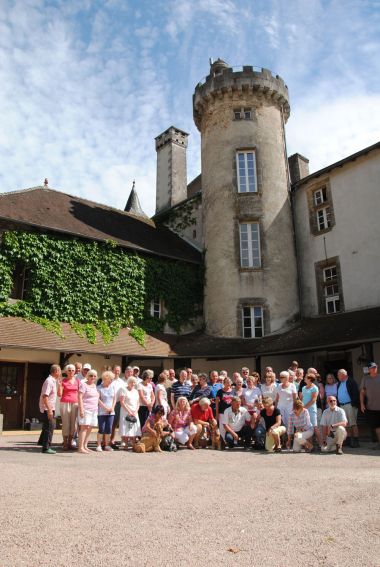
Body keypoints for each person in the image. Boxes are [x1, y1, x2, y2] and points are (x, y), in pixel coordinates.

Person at [39, 364, 61, 454]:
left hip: (50, 407)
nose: (60, 373)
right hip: (48, 408)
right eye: (59, 371)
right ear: (56, 371)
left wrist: (59, 385)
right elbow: (45, 396)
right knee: (50, 427)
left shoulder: (53, 381)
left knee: (46, 426)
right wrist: (49, 410)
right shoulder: (49, 381)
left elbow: (58, 394)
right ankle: (46, 448)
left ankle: (41, 442)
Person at [57, 364, 79, 450]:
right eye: (69, 370)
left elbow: (80, 393)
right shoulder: (63, 381)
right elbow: (59, 394)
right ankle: (65, 443)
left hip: (75, 403)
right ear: (66, 371)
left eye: (73, 370)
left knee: (73, 424)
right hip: (65, 402)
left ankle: (70, 443)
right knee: (66, 423)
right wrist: (59, 385)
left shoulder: (77, 381)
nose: (71, 372)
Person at [78, 369, 100, 453]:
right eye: (91, 375)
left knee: (90, 427)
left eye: (94, 376)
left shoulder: (94, 386)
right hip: (86, 409)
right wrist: (81, 410)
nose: (93, 377)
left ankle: (85, 445)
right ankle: (80, 448)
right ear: (87, 376)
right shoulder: (84, 385)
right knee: (84, 428)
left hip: (94, 410)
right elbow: (79, 397)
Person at [336, 368, 360, 447]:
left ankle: (356, 441)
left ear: (343, 375)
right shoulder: (339, 383)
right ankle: (348, 440)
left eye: (338, 375)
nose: (337, 377)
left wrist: (353, 404)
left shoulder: (351, 381)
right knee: (346, 424)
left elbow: (356, 394)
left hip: (350, 405)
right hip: (342, 406)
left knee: (353, 423)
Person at [360, 362, 380, 449]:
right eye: (372, 368)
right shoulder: (365, 379)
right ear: (369, 369)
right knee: (377, 427)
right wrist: (362, 403)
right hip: (372, 407)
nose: (374, 369)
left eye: (375, 367)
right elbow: (362, 392)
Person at [301, 373, 323, 448]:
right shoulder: (303, 388)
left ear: (310, 379)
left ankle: (321, 444)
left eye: (306, 377)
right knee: (307, 427)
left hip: (311, 410)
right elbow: (302, 399)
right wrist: (301, 407)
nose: (304, 378)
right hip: (304, 410)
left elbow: (313, 400)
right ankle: (310, 445)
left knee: (315, 427)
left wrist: (305, 407)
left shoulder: (315, 388)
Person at [119, 376, 141, 450]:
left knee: (134, 428)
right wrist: (129, 411)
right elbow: (122, 402)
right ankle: (126, 445)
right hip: (126, 411)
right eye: (131, 382)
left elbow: (138, 403)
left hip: (135, 412)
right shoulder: (124, 389)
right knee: (126, 428)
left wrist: (136, 411)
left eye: (134, 382)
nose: (133, 383)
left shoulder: (136, 391)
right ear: (128, 382)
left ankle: (134, 444)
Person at [96, 370, 116, 452]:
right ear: (106, 378)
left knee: (109, 429)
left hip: (111, 412)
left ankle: (107, 445)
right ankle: (99, 445)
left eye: (112, 379)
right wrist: (105, 408)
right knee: (101, 428)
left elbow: (114, 398)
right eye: (111, 379)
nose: (112, 380)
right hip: (102, 412)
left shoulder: (112, 387)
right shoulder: (99, 388)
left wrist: (112, 407)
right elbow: (98, 400)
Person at [110, 365, 125, 449]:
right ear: (112, 371)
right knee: (109, 422)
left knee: (115, 423)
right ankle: (105, 441)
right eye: (115, 370)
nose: (117, 372)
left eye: (118, 370)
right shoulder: (108, 380)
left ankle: (112, 440)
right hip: (109, 403)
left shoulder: (122, 382)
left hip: (118, 404)